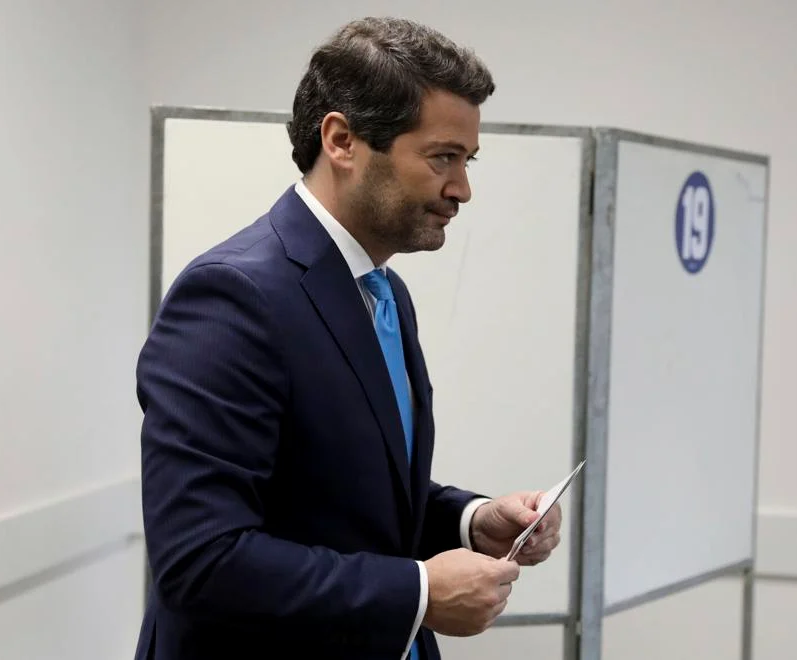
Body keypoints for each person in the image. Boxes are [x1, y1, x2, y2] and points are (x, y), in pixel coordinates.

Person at [133, 16, 563, 660]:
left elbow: (349, 500)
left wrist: (471, 521)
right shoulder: (231, 297)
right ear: (341, 140)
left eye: (467, 161)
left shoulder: (384, 293)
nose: (462, 189)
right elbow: (201, 559)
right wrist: (416, 591)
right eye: (443, 157)